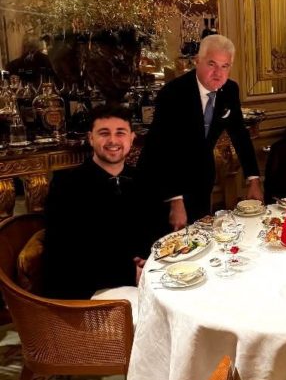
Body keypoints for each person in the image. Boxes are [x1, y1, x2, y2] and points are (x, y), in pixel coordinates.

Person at [137, 34, 262, 234]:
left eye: (225, 66)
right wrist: (175, 200)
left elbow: (240, 134)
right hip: (164, 180)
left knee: (200, 237)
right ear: (197, 61)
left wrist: (253, 179)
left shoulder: (230, 90)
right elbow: (162, 149)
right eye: (212, 64)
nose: (218, 73)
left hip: (201, 177)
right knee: (169, 241)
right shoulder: (172, 93)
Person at [42, 105, 147, 306]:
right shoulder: (66, 185)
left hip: (140, 280)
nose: (113, 140)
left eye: (120, 133)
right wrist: (128, 271)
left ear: (132, 138)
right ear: (91, 138)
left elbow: (152, 232)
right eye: (104, 133)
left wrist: (148, 262)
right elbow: (64, 253)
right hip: (84, 293)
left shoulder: (142, 179)